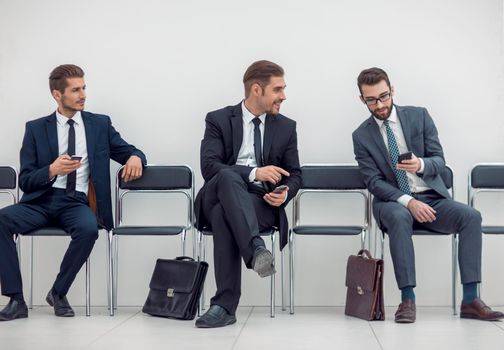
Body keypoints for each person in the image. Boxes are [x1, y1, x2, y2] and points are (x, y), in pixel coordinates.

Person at [352, 67, 504, 323]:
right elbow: (374, 182)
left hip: (431, 198)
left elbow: (439, 161)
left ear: (392, 90)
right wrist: (409, 201)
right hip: (392, 202)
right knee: (400, 217)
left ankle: (470, 300)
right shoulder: (361, 135)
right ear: (362, 99)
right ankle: (407, 300)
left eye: (384, 96)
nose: (379, 104)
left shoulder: (419, 116)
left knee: (471, 217)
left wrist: (420, 165)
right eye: (371, 100)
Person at [0, 64, 146, 321]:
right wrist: (52, 170)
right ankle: (16, 299)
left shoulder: (99, 124)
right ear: (58, 94)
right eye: (76, 90)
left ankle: (58, 292)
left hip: (75, 202)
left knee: (89, 230)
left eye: (84, 88)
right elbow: (25, 180)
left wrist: (136, 156)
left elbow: (126, 150)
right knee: (1, 220)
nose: (83, 95)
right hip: (40, 202)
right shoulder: (35, 128)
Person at [194, 60, 302, 328]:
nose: (283, 96)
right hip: (216, 192)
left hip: (260, 203)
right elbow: (209, 167)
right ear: (257, 89)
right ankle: (254, 248)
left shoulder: (286, 127)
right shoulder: (218, 119)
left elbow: (296, 173)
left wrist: (286, 192)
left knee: (224, 215)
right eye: (278, 89)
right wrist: (255, 173)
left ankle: (224, 306)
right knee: (228, 177)